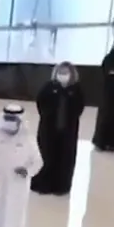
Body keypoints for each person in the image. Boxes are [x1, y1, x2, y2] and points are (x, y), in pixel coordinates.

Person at [30, 62, 85, 196]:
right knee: (47, 156)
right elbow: (40, 102)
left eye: (66, 73)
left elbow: (79, 107)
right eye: (61, 72)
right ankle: (44, 184)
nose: (63, 75)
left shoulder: (76, 89)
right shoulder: (49, 87)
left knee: (65, 158)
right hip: (49, 129)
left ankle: (61, 186)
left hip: (68, 130)